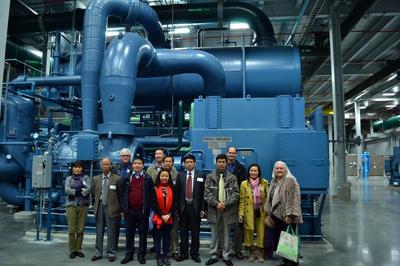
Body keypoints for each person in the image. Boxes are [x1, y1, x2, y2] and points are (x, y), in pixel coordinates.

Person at [264, 161, 302, 266]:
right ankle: (286, 262)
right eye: (277, 168)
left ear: (286, 170)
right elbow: (269, 198)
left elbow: (294, 199)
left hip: (287, 216)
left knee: (289, 240)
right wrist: (268, 213)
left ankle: (292, 263)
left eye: (281, 168)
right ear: (274, 170)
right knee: (283, 241)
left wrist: (290, 215)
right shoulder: (273, 181)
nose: (279, 170)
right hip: (277, 216)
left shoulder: (291, 180)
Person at [204, 154, 239, 266]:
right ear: (216, 162)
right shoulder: (210, 177)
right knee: (214, 233)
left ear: (226, 163)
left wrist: (225, 203)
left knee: (226, 233)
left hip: (228, 210)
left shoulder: (232, 178)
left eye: (223, 162)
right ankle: (214, 255)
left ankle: (226, 255)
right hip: (214, 210)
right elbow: (207, 193)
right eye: (219, 161)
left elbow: (236, 194)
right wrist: (216, 203)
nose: (221, 164)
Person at [120, 157, 153, 265]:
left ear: (143, 165)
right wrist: (123, 209)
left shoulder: (148, 178)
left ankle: (141, 255)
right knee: (129, 234)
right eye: (135, 163)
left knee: (143, 234)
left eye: (139, 163)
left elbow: (151, 195)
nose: (137, 165)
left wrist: (148, 208)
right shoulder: (127, 178)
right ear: (132, 165)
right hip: (129, 211)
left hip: (143, 211)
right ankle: (129, 254)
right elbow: (122, 194)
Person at [175, 154, 206, 263]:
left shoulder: (201, 175)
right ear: (184, 164)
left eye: (191, 162)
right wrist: (177, 210)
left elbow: (203, 194)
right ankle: (183, 254)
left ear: (194, 163)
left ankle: (194, 254)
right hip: (183, 208)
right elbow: (177, 194)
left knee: (195, 232)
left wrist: (203, 209)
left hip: (195, 208)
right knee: (183, 232)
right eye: (186, 162)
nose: (189, 164)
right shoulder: (180, 175)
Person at [91, 158, 121, 262]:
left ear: (111, 166)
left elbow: (120, 195)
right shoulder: (95, 179)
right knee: (99, 232)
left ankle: (111, 253)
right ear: (100, 166)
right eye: (103, 164)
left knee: (111, 232)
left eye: (107, 164)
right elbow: (94, 193)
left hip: (112, 208)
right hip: (99, 207)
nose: (105, 166)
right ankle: (98, 252)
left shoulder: (117, 179)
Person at [238, 164, 269, 262]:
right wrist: (241, 213)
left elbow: (268, 200)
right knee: (249, 232)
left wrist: (269, 213)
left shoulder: (264, 183)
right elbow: (242, 200)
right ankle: (251, 252)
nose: (253, 172)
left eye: (255, 170)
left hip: (261, 211)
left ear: (259, 172)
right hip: (248, 212)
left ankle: (260, 252)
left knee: (261, 232)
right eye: (251, 170)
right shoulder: (244, 184)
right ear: (248, 172)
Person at [64, 160, 91, 259]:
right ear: (72, 169)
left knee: (80, 229)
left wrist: (75, 191)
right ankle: (72, 250)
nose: (77, 169)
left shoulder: (86, 178)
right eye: (75, 167)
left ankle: (78, 249)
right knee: (72, 229)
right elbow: (67, 190)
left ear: (82, 168)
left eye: (79, 167)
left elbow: (88, 189)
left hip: (83, 206)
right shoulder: (68, 179)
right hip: (71, 205)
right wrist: (79, 191)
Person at [151, 169, 177, 266]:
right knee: (157, 239)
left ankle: (165, 257)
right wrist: (162, 215)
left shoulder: (173, 188)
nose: (164, 178)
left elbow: (175, 203)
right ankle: (158, 257)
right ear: (159, 177)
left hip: (169, 218)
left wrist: (169, 215)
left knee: (166, 238)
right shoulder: (154, 188)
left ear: (169, 177)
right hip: (158, 217)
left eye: (166, 176)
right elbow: (153, 204)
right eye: (162, 176)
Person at [226, 147, 246, 260]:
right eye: (230, 153)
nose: (232, 155)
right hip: (225, 202)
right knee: (225, 227)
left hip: (237, 201)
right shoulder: (222, 167)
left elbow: (242, 186)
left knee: (239, 228)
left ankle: (238, 250)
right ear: (227, 153)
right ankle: (225, 249)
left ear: (236, 154)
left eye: (233, 153)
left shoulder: (241, 168)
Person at [113, 148, 133, 250]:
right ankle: (113, 246)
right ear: (120, 157)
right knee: (114, 226)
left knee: (129, 227)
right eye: (123, 156)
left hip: (129, 200)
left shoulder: (134, 167)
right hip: (115, 200)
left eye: (127, 156)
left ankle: (129, 248)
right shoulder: (115, 168)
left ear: (130, 157)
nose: (125, 157)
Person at [163, 155, 179, 260]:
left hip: (174, 207)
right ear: (163, 163)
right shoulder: (160, 174)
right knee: (162, 230)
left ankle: (174, 250)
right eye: (166, 161)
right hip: (162, 208)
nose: (168, 163)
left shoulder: (178, 175)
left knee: (174, 231)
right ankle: (163, 249)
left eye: (170, 161)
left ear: (173, 162)